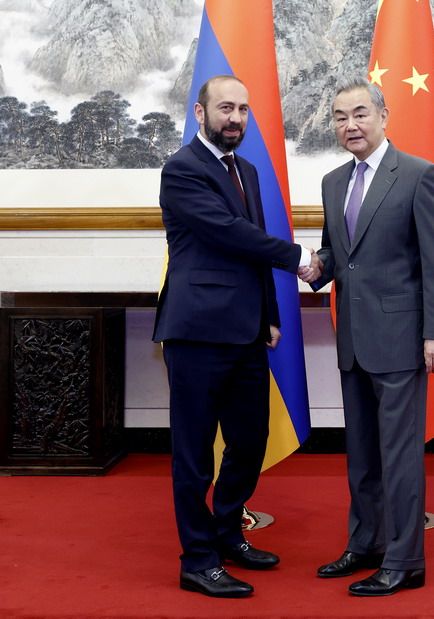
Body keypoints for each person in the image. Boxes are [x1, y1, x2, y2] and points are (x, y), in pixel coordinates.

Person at [153, 74, 321, 598]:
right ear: (200, 113)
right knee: (194, 453)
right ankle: (197, 560)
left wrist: (269, 314)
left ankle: (227, 533)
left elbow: (251, 251)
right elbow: (227, 233)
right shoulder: (182, 168)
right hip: (197, 332)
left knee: (249, 441)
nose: (236, 118)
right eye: (225, 108)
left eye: (243, 109)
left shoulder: (245, 168)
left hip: (246, 331)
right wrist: (297, 256)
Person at [308, 75, 434, 597]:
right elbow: (338, 253)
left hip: (401, 338)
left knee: (399, 455)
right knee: (362, 454)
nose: (350, 125)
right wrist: (316, 268)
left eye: (360, 114)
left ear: (383, 116)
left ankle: (405, 559)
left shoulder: (418, 175)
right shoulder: (332, 182)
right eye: (339, 117)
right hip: (352, 338)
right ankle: (365, 543)